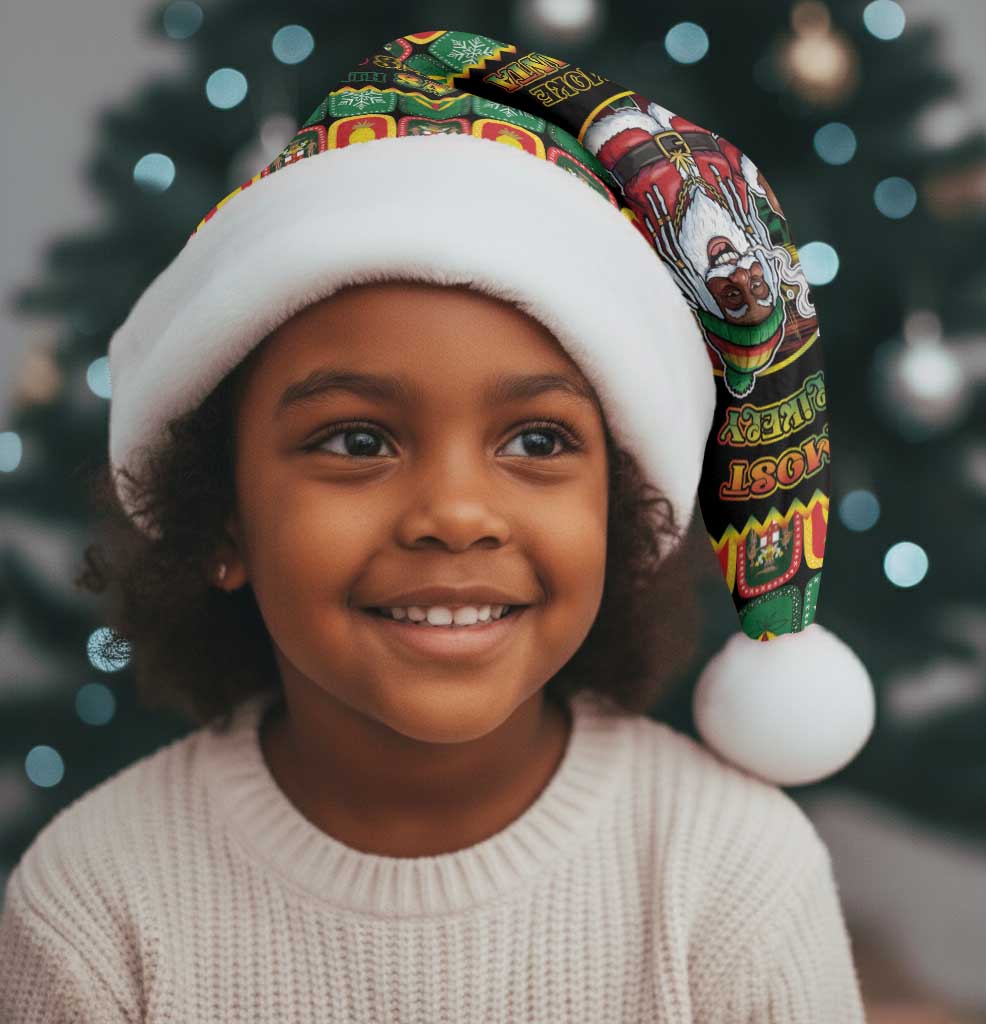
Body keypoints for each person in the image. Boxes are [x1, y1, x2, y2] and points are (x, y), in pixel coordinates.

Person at [0, 28, 873, 1022]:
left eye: (538, 441)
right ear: (219, 518)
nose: (456, 515)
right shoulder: (97, 898)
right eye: (358, 441)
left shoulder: (730, 872)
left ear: (621, 511)